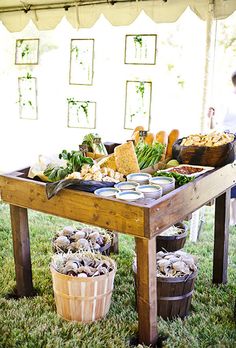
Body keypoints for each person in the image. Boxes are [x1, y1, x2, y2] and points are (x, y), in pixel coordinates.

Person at [208, 71, 236, 226]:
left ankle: (233, 219)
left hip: (227, 140)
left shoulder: (225, 98)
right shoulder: (226, 99)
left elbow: (214, 123)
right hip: (227, 142)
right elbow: (214, 125)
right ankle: (229, 218)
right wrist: (211, 116)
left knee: (231, 179)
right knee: (227, 178)